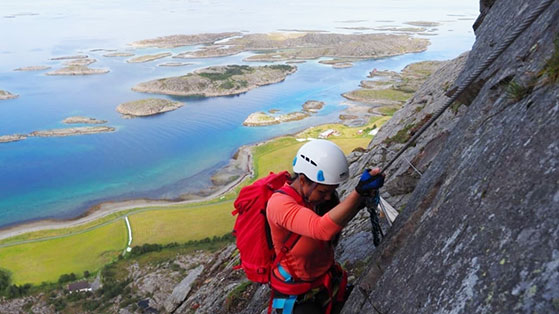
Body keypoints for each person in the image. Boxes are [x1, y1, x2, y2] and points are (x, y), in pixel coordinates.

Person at [266, 139, 385, 314]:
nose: (328, 197)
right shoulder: (279, 204)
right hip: (296, 294)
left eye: (331, 191)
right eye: (323, 191)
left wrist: (362, 199)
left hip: (326, 281)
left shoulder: (317, 200)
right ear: (302, 180)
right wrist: (358, 192)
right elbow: (321, 230)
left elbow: (335, 222)